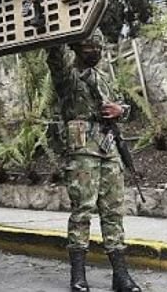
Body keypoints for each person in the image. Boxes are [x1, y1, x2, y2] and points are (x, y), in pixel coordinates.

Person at [46, 30, 142, 292]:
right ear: (77, 48)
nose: (95, 53)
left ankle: (120, 275)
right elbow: (55, 54)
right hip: (82, 149)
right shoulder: (67, 75)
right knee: (83, 210)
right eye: (89, 48)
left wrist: (120, 110)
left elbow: (124, 106)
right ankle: (78, 276)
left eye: (98, 48)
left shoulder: (104, 77)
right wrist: (57, 29)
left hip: (109, 148)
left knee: (114, 212)